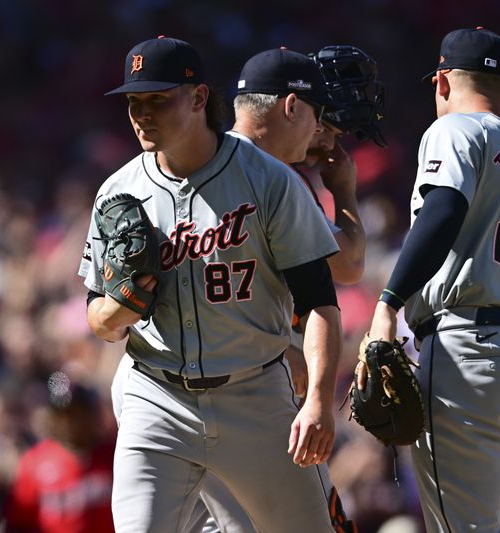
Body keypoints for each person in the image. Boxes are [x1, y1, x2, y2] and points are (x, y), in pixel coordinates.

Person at [79, 36, 343, 532]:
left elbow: (321, 304)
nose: (141, 114)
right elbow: (98, 317)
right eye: (135, 102)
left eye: (158, 99)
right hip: (155, 398)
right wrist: (122, 306)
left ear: (200, 99)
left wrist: (319, 402)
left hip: (255, 393)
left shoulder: (268, 181)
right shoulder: (118, 191)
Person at [360, 27, 500, 531]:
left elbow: (444, 208)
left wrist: (388, 303)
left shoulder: (455, 129)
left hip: (471, 354)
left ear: (443, 81)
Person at [4, 373, 115, 533]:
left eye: (76, 412)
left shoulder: (112, 454)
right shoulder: (35, 462)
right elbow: (18, 522)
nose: (69, 421)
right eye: (62, 414)